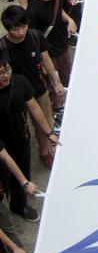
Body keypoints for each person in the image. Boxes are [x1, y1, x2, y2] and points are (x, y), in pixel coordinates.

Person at [0, 45, 57, 222]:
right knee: (5, 181)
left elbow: (34, 108)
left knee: (24, 170)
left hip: (22, 137)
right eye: (0, 73)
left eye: (7, 69)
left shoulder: (20, 82)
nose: (5, 75)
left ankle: (19, 205)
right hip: (2, 146)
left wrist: (49, 133)